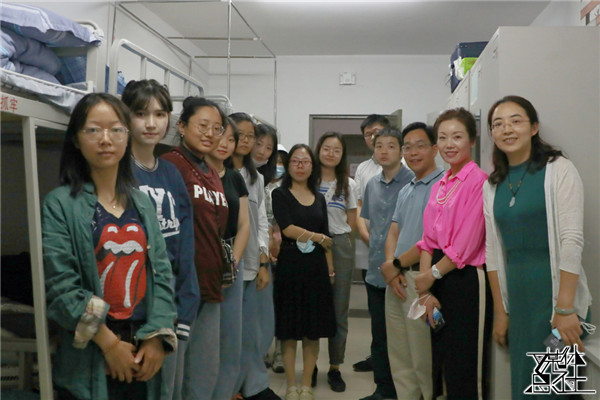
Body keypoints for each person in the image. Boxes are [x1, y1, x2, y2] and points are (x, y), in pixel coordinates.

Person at [42, 93, 177, 400]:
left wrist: (156, 338)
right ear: (76, 139)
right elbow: (62, 287)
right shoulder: (60, 204)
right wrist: (110, 344)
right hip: (91, 350)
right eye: (93, 130)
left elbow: (162, 273)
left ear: (127, 137)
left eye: (116, 129)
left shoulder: (141, 202)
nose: (106, 139)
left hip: (143, 347)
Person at [483, 95, 592, 399]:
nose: (507, 129)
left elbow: (572, 240)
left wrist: (565, 308)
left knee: (555, 390)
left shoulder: (559, 169)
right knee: (525, 388)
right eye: (498, 124)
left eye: (515, 121)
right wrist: (501, 312)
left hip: (557, 300)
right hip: (519, 303)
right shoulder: (492, 185)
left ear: (533, 127)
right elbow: (493, 252)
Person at [120, 79, 201, 400]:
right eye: (141, 114)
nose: (151, 123)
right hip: (129, 310)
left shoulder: (170, 173)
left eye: (159, 114)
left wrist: (185, 308)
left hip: (169, 305)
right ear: (125, 116)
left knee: (167, 391)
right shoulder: (116, 170)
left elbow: (185, 246)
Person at [414, 108, 492, 400]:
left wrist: (431, 275)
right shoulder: (440, 184)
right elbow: (428, 241)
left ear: (471, 140)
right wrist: (425, 290)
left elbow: (466, 244)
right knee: (442, 357)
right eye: (443, 137)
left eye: (457, 137)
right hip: (437, 278)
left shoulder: (479, 181)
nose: (449, 144)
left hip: (465, 279)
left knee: (464, 362)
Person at [161, 97, 229, 400]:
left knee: (203, 372)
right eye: (203, 126)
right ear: (181, 126)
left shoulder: (211, 171)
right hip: (181, 286)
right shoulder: (170, 165)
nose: (210, 134)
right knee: (172, 376)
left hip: (210, 283)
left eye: (217, 128)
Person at [379, 122, 444, 400]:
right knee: (399, 354)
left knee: (422, 356)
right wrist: (391, 268)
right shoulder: (406, 189)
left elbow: (432, 239)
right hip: (397, 278)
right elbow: (394, 231)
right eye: (408, 147)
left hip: (422, 278)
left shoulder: (443, 185)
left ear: (434, 149)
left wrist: (395, 266)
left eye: (420, 146)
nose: (413, 153)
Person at [272, 144, 336, 400]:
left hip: (316, 268)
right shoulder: (280, 194)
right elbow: (287, 228)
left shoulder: (319, 198)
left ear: (312, 166)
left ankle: (307, 384)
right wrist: (317, 237)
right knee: (289, 330)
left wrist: (330, 270)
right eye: (295, 161)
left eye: (305, 161)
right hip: (290, 264)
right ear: (288, 166)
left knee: (313, 330)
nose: (300, 166)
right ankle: (291, 385)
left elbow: (328, 237)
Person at [228, 113, 280, 400]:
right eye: (242, 135)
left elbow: (260, 221)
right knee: (230, 332)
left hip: (252, 262)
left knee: (254, 331)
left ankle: (253, 385)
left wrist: (262, 261)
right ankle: (230, 386)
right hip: (227, 264)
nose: (247, 141)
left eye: (251, 137)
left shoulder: (256, 178)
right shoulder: (217, 172)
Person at [360, 127, 414, 400]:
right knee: (379, 336)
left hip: (403, 273)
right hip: (375, 273)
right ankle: (383, 390)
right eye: (379, 145)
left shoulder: (413, 182)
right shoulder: (372, 184)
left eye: (391, 145)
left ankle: (404, 392)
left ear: (401, 150)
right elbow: (372, 225)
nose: (384, 151)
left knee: (403, 340)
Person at [205, 118, 251, 400]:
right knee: (205, 338)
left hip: (232, 258)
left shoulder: (235, 177)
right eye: (220, 137)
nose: (225, 144)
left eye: (231, 139)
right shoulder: (195, 175)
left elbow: (244, 224)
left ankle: (226, 392)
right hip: (203, 258)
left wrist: (232, 262)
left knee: (231, 336)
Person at [314, 132, 357, 392]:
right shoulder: (309, 180)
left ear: (342, 155)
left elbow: (352, 221)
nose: (331, 153)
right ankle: (310, 365)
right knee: (311, 306)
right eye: (326, 148)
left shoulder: (348, 184)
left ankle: (334, 367)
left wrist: (339, 242)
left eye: (336, 150)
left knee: (339, 309)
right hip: (310, 244)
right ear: (319, 150)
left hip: (339, 245)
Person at [353, 114, 390, 373]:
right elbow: (359, 206)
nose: (373, 137)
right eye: (368, 134)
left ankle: (392, 361)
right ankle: (377, 356)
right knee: (374, 307)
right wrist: (368, 236)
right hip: (369, 247)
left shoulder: (402, 165)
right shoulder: (363, 169)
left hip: (397, 250)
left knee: (394, 307)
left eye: (378, 131)